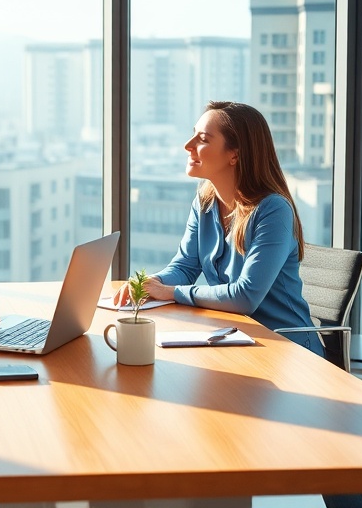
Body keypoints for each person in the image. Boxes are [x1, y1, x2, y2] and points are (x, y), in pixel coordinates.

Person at [113, 100, 324, 357]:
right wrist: (152, 283)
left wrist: (170, 292)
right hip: (234, 339)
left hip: (288, 350)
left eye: (202, 139)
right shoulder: (205, 202)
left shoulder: (273, 210)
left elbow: (245, 296)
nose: (188, 146)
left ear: (234, 154)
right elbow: (185, 267)